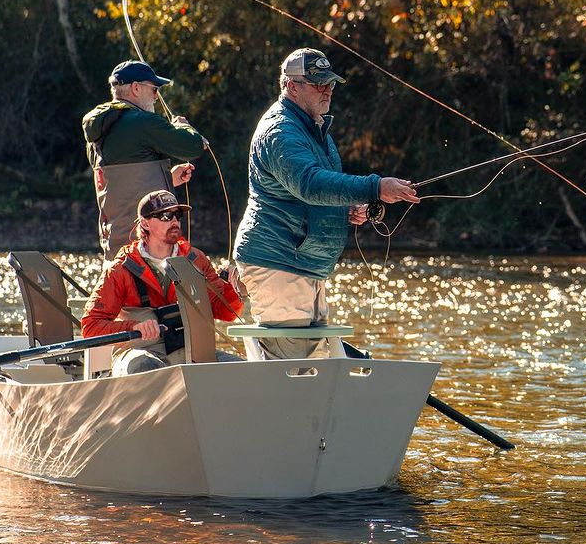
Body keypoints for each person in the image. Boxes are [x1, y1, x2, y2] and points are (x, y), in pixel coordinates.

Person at [232, 48, 418, 359]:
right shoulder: (280, 131)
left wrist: (346, 210)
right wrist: (374, 188)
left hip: (305, 265)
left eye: (330, 84)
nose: (327, 90)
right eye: (318, 84)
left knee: (313, 365)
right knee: (293, 370)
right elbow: (309, 183)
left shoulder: (315, 128)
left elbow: (316, 192)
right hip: (279, 262)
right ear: (292, 86)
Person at [81, 190, 243, 376]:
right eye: (166, 216)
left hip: (190, 354)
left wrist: (236, 287)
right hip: (139, 353)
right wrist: (132, 327)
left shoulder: (196, 259)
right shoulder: (120, 269)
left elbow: (225, 312)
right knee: (145, 367)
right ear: (145, 223)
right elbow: (90, 327)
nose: (174, 221)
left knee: (243, 370)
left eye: (178, 215)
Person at [82, 59, 207, 259]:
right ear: (136, 88)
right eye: (154, 89)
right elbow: (192, 146)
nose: (157, 97)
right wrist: (183, 126)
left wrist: (168, 178)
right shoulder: (142, 122)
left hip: (115, 248)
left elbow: (124, 183)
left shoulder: (98, 135)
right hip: (147, 249)